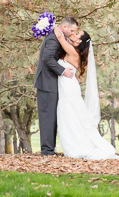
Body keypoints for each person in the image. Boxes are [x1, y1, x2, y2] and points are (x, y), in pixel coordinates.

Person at [53, 25, 119, 160]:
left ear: (79, 42)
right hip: (67, 85)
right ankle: (74, 144)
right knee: (71, 116)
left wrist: (50, 23)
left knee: (69, 115)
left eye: (77, 34)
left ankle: (75, 147)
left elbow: (60, 36)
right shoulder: (73, 50)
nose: (74, 34)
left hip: (68, 87)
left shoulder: (73, 52)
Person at [33, 16, 78, 155]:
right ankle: (47, 150)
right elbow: (47, 58)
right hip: (47, 82)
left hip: (51, 82)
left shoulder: (58, 37)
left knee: (52, 115)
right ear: (64, 27)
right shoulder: (53, 38)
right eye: (71, 30)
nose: (72, 33)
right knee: (48, 116)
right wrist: (63, 71)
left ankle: (49, 148)